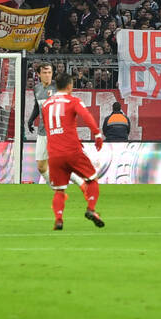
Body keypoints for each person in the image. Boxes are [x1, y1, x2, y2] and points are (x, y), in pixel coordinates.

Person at [40, 73, 106, 230]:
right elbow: (86, 115)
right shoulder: (73, 101)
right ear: (70, 85)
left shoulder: (46, 104)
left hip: (54, 153)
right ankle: (91, 209)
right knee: (92, 179)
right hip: (72, 150)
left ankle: (59, 219)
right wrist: (97, 134)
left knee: (59, 190)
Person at [27, 62, 55, 185]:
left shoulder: (58, 87)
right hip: (42, 132)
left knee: (60, 163)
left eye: (49, 72)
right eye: (44, 72)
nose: (47, 75)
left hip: (56, 132)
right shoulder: (37, 88)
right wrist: (31, 119)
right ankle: (55, 185)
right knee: (41, 167)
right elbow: (37, 106)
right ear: (38, 74)